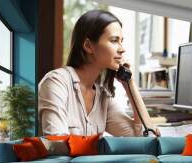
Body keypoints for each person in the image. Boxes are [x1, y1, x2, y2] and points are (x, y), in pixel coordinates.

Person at [38, 9, 159, 137]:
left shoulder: (103, 98)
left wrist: (130, 84)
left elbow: (146, 137)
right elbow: (57, 141)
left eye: (121, 41)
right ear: (88, 46)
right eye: (114, 40)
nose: (122, 49)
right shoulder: (56, 83)